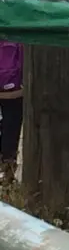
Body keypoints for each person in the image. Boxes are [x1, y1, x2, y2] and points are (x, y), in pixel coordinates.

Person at [0, 40, 23, 182]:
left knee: (10, 127)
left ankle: (7, 167)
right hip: (14, 92)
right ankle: (8, 168)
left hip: (13, 92)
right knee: (11, 128)